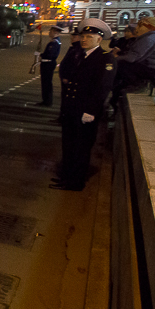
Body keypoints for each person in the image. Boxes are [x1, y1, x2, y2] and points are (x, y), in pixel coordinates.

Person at [53, 19, 115, 191]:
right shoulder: (80, 55)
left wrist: (91, 111)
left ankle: (76, 181)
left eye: (89, 36)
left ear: (99, 40)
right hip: (72, 109)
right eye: (83, 36)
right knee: (69, 145)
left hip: (85, 111)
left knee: (81, 148)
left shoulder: (105, 59)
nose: (84, 39)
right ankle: (67, 176)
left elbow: (102, 87)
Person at [110, 16, 155, 105]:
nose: (136, 28)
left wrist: (115, 58)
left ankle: (135, 85)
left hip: (153, 70)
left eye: (140, 26)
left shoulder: (148, 39)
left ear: (149, 28)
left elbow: (132, 58)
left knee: (120, 65)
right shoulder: (152, 37)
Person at [32, 26, 63, 107]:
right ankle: (46, 100)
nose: (50, 33)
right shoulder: (54, 41)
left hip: (48, 64)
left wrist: (40, 54)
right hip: (47, 63)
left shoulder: (54, 43)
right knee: (46, 83)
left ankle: (47, 101)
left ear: (55, 32)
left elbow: (50, 55)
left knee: (46, 83)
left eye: (51, 32)